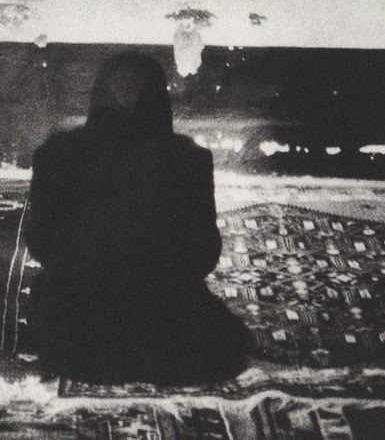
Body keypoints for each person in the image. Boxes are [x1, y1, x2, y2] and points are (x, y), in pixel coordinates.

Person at [24, 51, 251, 384]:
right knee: (228, 343)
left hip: (80, 335)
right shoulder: (190, 160)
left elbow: (41, 246)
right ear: (160, 101)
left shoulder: (56, 154)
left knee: (51, 308)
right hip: (171, 327)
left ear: (98, 98)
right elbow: (204, 255)